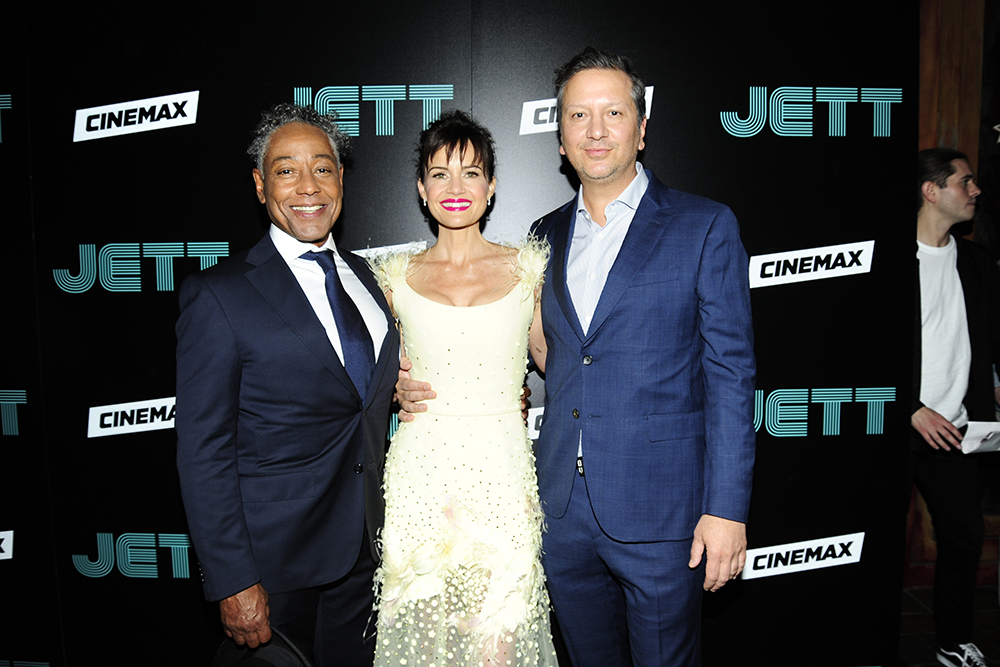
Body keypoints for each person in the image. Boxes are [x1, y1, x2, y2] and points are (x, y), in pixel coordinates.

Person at [398, 47, 756, 666]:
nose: (595, 130)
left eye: (613, 113)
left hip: (663, 516)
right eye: (578, 116)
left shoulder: (704, 226)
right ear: (559, 137)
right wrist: (410, 387)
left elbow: (731, 377)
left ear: (641, 129)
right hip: (559, 513)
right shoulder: (542, 238)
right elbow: (524, 352)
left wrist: (726, 511)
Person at [175, 103, 399, 667]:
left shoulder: (371, 280)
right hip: (274, 571)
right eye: (285, 170)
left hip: (368, 555)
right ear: (259, 184)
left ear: (341, 179)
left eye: (322, 168)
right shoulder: (218, 296)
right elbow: (203, 452)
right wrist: (232, 580)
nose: (308, 186)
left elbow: (360, 397)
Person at [368, 110, 558, 666]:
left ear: (492, 186)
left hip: (501, 472)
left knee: (497, 633)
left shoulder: (529, 269)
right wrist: (395, 392)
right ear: (421, 188)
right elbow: (371, 378)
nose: (456, 188)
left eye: (471, 173)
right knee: (421, 637)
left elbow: (558, 364)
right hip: (420, 475)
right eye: (441, 173)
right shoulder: (393, 277)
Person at [911, 148, 996, 667]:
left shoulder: (977, 262)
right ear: (931, 190)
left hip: (959, 430)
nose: (975, 190)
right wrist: (910, 409)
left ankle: (952, 642)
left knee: (965, 538)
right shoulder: (888, 259)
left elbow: (989, 341)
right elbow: (862, 349)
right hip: (899, 423)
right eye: (965, 181)